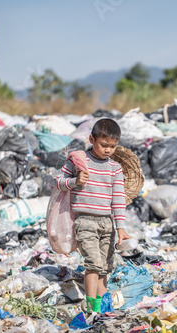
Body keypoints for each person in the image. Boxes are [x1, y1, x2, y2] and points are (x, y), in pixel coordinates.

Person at [55, 118, 131, 313]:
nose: (108, 150)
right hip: (85, 220)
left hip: (107, 222)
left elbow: (118, 199)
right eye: (104, 145)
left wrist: (120, 228)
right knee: (94, 264)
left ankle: (102, 305)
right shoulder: (79, 161)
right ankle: (91, 309)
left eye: (112, 147)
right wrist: (75, 181)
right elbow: (58, 181)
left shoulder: (115, 168)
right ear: (91, 139)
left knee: (106, 266)